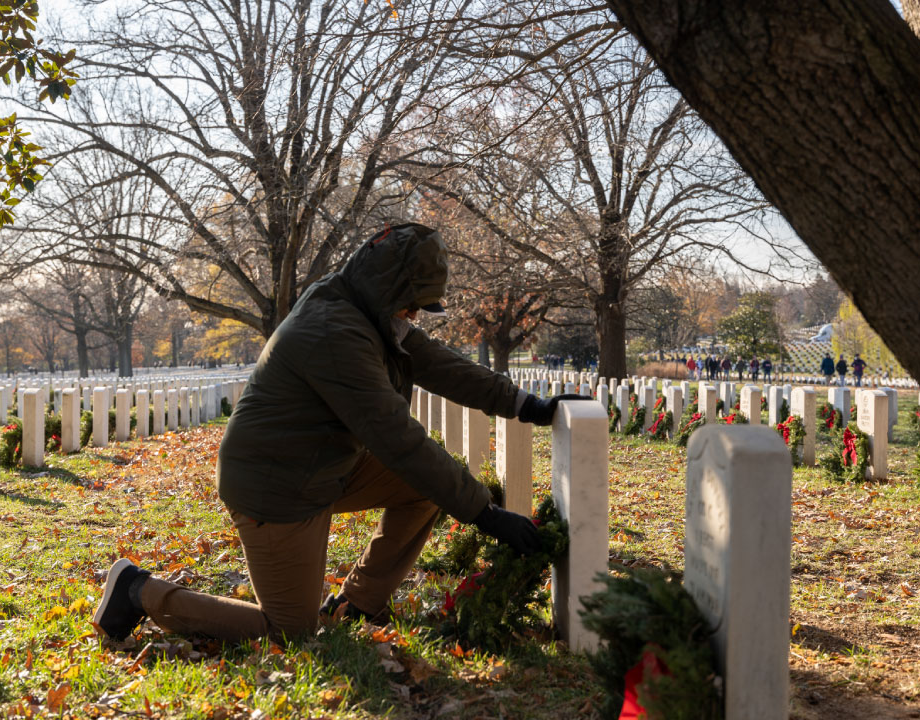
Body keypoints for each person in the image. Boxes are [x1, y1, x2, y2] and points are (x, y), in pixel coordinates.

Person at [93, 223, 583, 644]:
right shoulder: (334, 331)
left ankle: (357, 605)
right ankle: (139, 590)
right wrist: (486, 514)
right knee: (289, 631)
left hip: (321, 467)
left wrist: (526, 406)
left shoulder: (362, 307)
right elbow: (395, 436)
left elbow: (437, 363)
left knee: (424, 488)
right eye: (413, 304)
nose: (414, 316)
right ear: (392, 290)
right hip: (276, 486)